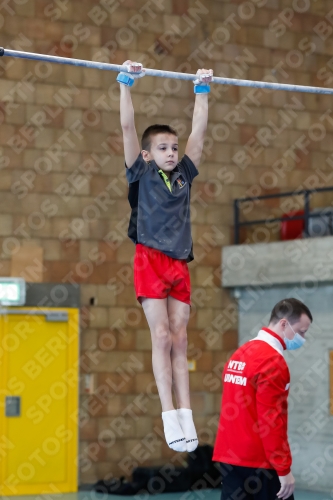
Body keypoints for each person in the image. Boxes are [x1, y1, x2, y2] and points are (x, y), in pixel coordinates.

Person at [118, 61, 213, 452]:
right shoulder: (139, 173)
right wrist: (125, 83)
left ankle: (186, 415)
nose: (172, 152)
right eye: (163, 148)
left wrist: (202, 90)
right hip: (149, 260)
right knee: (160, 335)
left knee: (180, 339)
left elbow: (200, 133)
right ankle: (167, 411)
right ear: (146, 153)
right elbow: (126, 127)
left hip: (179, 262)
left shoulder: (185, 174)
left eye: (174, 147)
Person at [213, 298, 313, 500]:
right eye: (301, 332)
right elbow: (271, 420)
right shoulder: (273, 362)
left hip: (229, 457)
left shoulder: (239, 354)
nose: (303, 338)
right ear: (284, 323)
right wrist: (283, 469)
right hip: (259, 463)